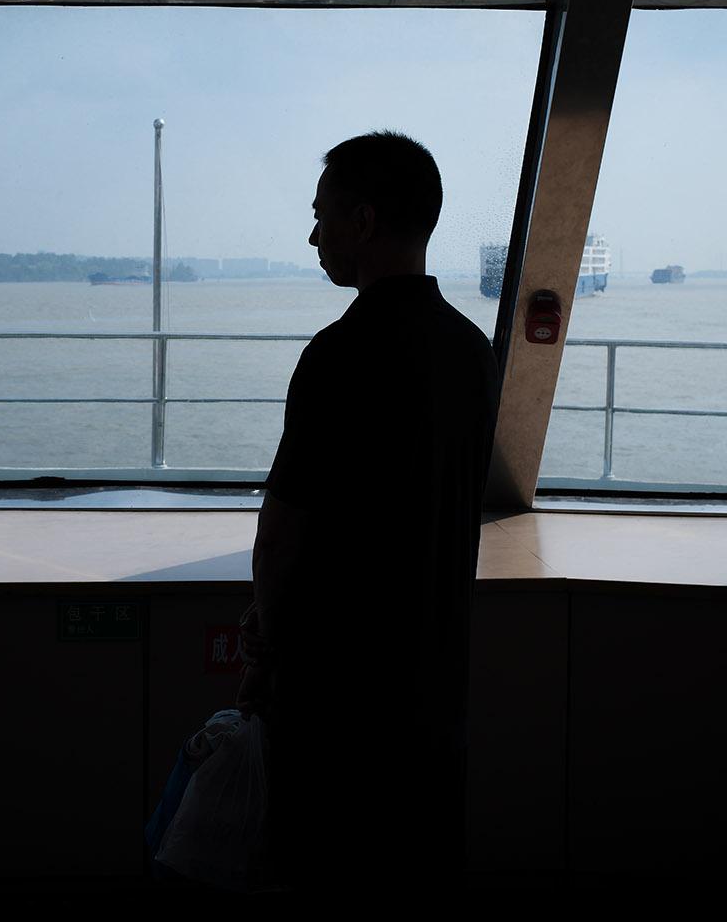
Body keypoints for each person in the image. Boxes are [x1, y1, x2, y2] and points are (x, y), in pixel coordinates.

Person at [237, 130, 500, 893]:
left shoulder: (339, 356)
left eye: (323, 216)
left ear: (365, 220)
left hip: (337, 705)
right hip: (432, 698)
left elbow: (282, 537)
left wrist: (263, 653)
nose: (314, 235)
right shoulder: (471, 353)